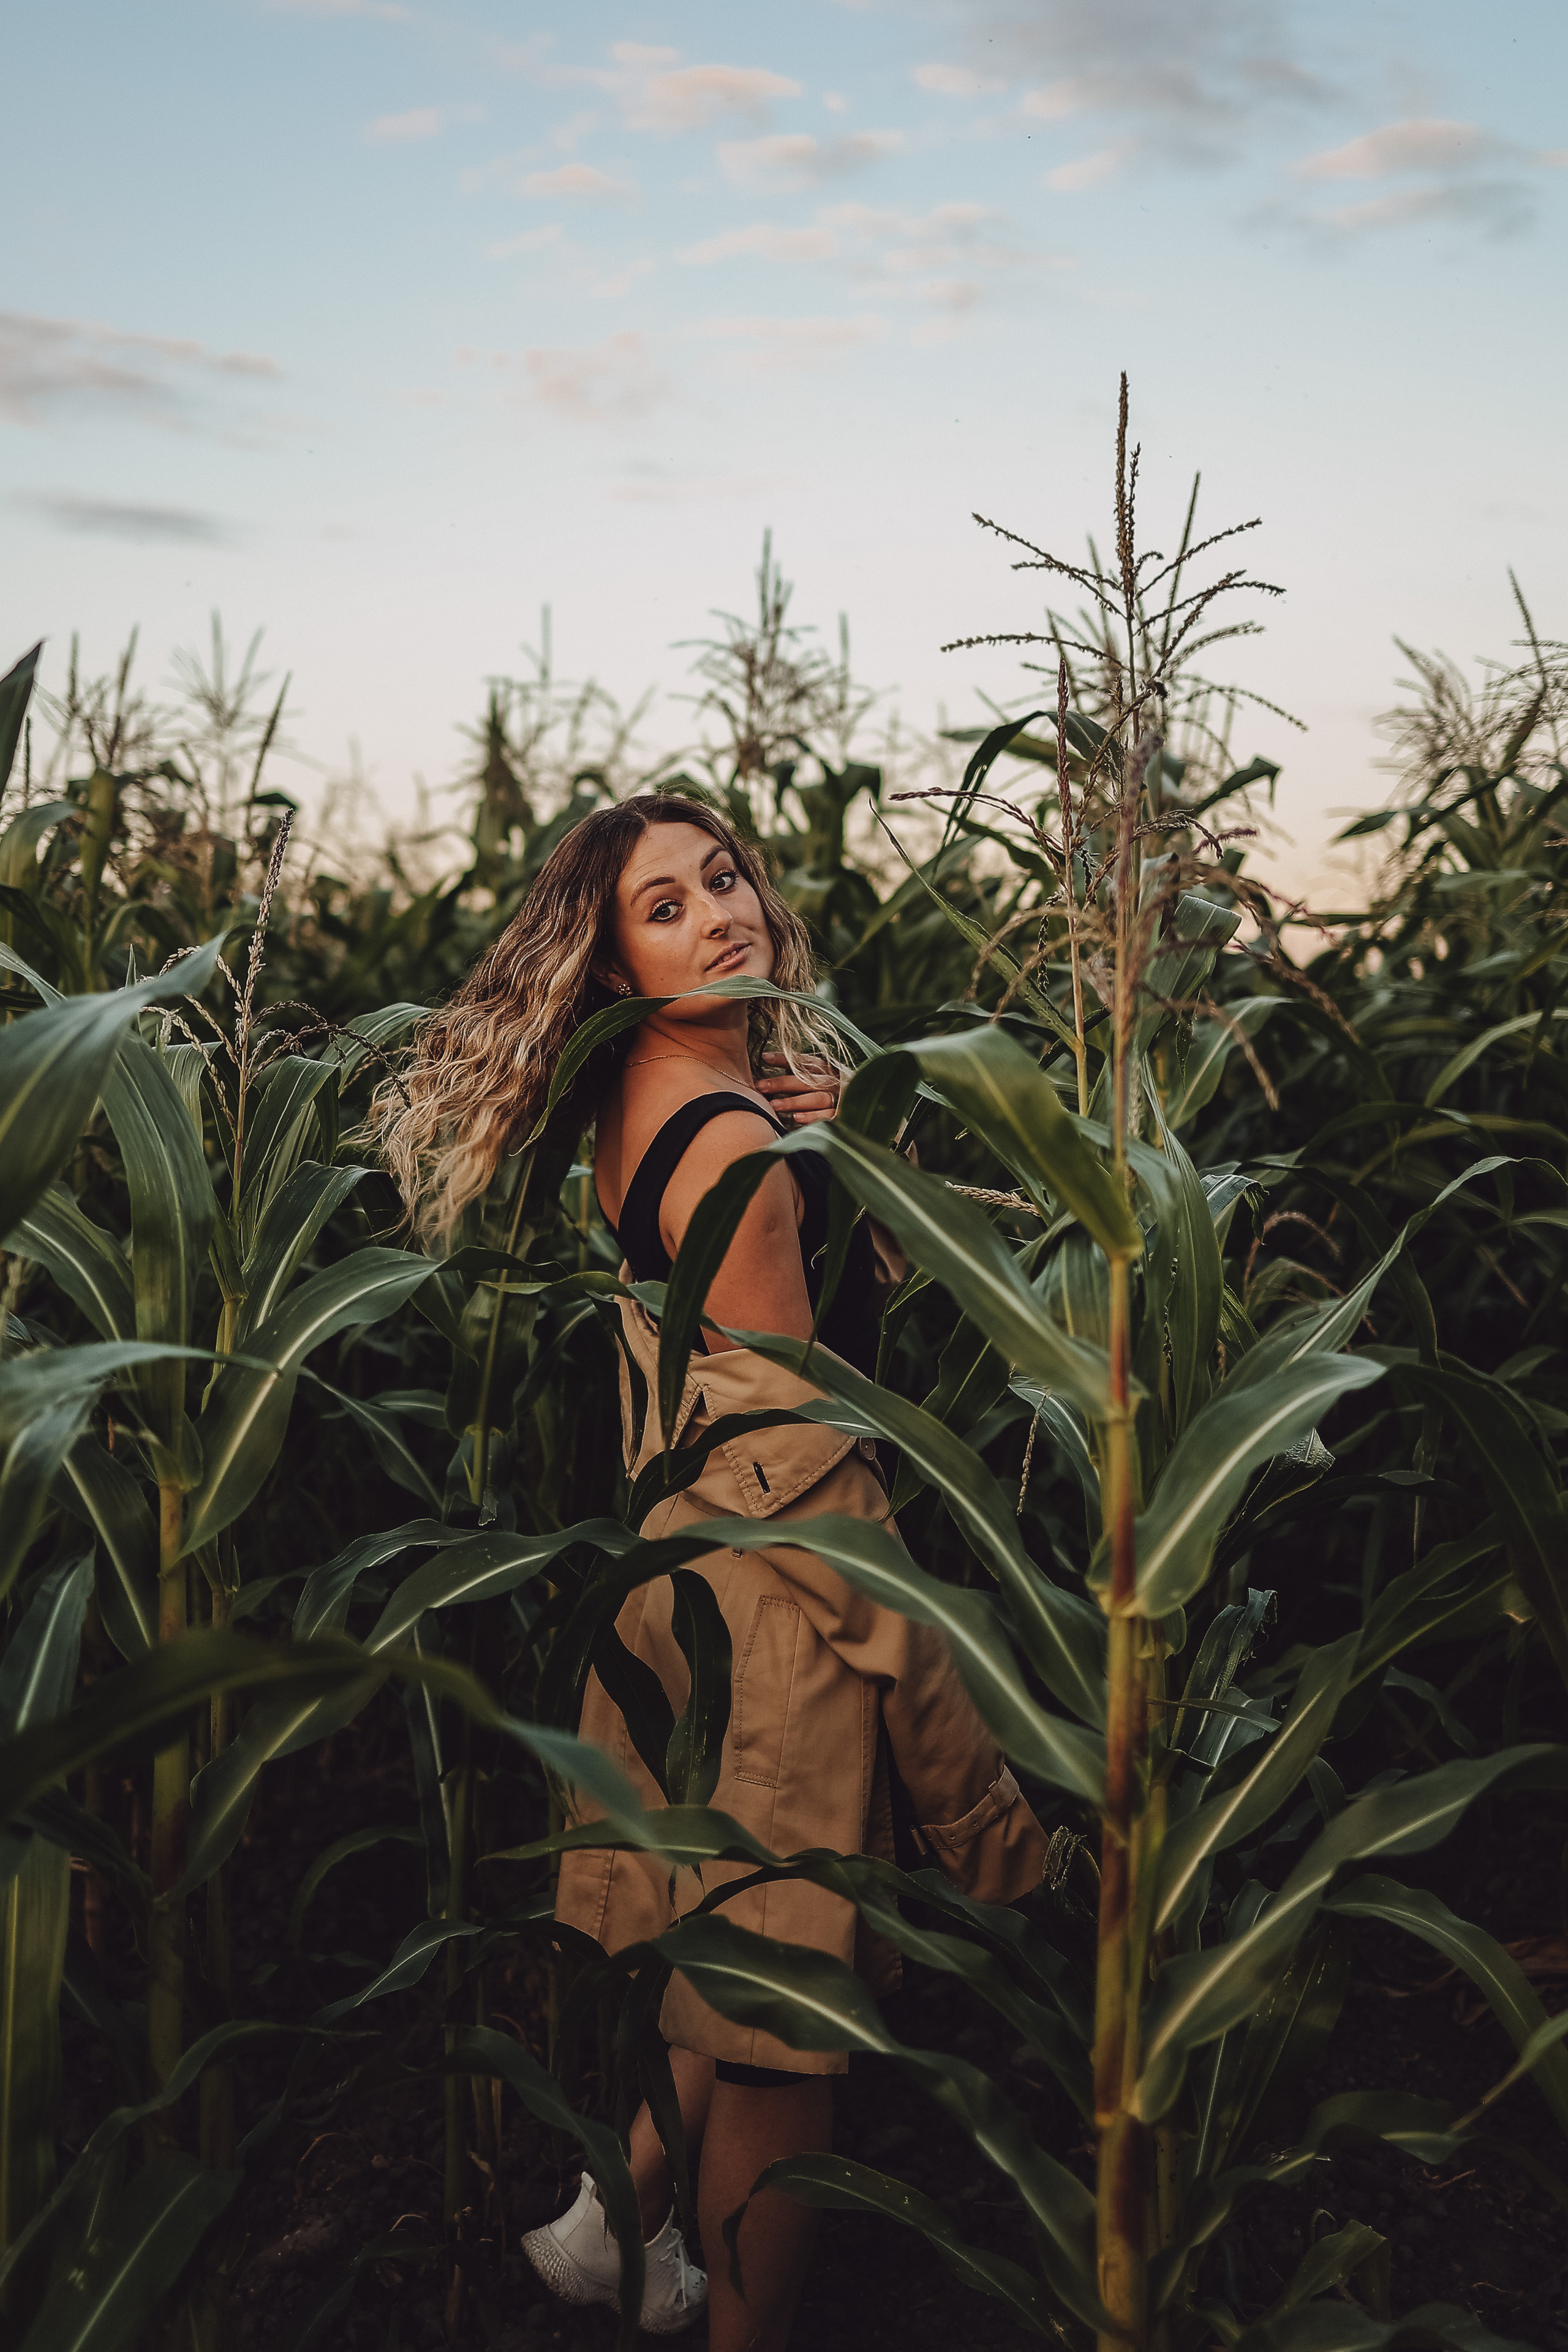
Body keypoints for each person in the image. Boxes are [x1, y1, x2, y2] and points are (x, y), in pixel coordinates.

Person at [376, 795, 1047, 2352]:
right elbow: (805, 1474)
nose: (722, 914)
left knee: (723, 1943)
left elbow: (750, 1351)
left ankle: (609, 2227)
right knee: (781, 2041)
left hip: (679, 1577)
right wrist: (966, 1763)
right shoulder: (734, 1145)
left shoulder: (676, 1102)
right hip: (779, 1611)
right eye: (664, 908)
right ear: (613, 969)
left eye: (724, 878)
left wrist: (829, 1158)